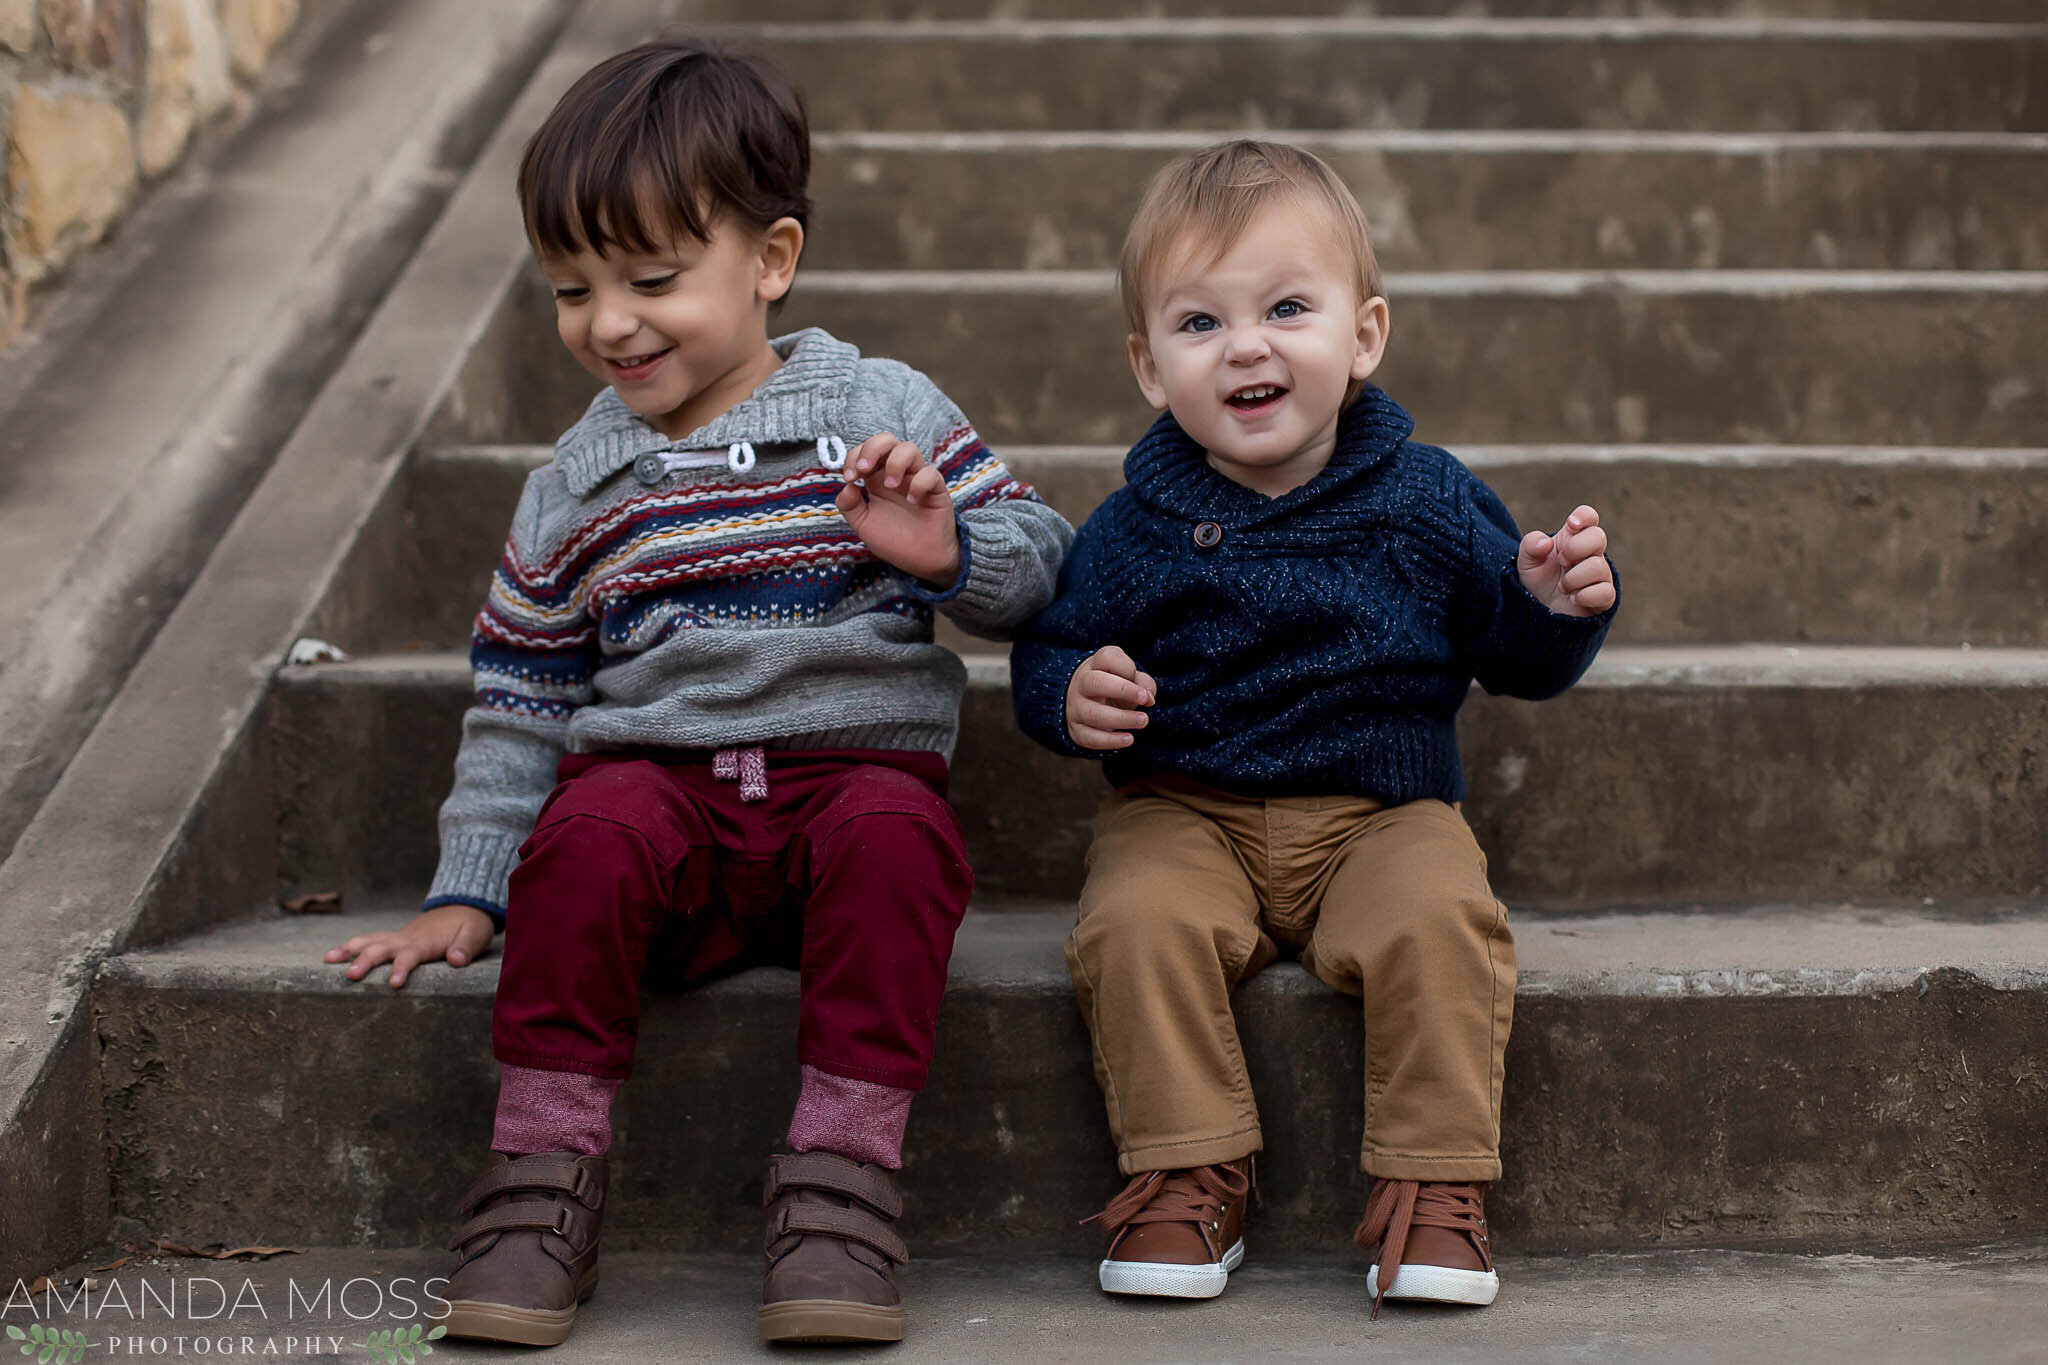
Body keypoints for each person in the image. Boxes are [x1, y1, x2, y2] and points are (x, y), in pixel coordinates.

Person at [321, 39, 1070, 1347]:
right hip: (661, 799)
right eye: (571, 288)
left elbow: (1042, 571)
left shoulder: (880, 410)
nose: (608, 321)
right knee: (587, 839)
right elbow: (521, 687)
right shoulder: (574, 484)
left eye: (651, 278)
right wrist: (467, 882)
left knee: (902, 849)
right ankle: (540, 1184)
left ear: (770, 260)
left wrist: (949, 550)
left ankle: (841, 1189)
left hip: (854, 784)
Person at [1010, 139, 1618, 1317]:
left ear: (1363, 335)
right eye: (1199, 323)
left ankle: (1429, 1190)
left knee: (1444, 919)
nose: (1246, 345)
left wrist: (1547, 607)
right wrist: (1066, 692)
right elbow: (1048, 648)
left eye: (1287, 307)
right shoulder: (1135, 526)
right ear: (1147, 366)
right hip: (1181, 808)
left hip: (1380, 813)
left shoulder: (1427, 498)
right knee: (1133, 923)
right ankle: (1187, 1169)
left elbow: (1513, 656)